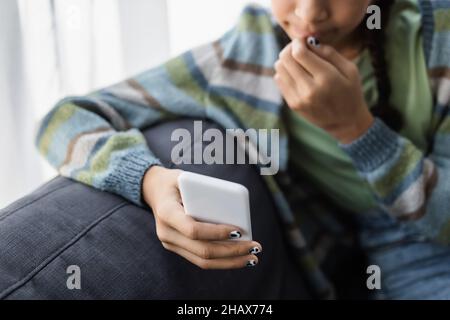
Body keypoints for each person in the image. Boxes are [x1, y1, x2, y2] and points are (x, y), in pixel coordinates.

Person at [35, 0, 450, 299]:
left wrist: (356, 129)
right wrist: (148, 180)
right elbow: (63, 119)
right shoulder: (239, 60)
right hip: (404, 256)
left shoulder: (437, 33)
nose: (309, 13)